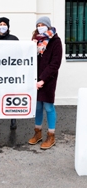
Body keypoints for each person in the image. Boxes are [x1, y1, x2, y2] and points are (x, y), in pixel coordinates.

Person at [28, 16, 62, 149]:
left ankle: (51, 135)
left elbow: (55, 64)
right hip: (35, 80)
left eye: (42, 24)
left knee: (48, 107)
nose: (40, 27)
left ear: (48, 26)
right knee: (37, 107)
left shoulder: (55, 41)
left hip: (48, 79)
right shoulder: (35, 41)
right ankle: (37, 133)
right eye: (38, 25)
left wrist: (43, 79)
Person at [0, 17, 18, 130]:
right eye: (0, 24)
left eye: (4, 24)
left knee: (10, 95)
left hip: (9, 73)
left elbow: (19, 54)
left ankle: (13, 119)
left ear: (8, 26)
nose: (2, 26)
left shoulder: (14, 39)